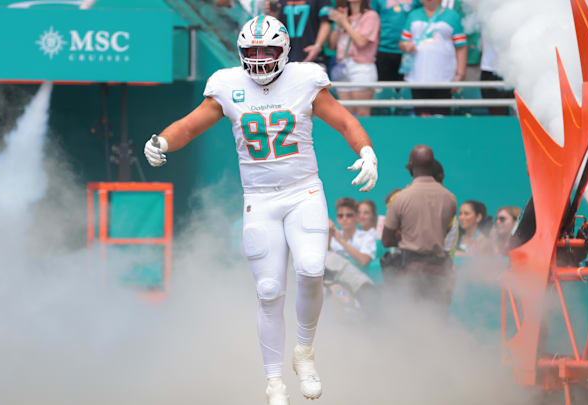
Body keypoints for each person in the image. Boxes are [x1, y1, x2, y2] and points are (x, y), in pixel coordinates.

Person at [143, 15, 378, 405]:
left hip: (303, 192)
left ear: (284, 50)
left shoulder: (305, 79)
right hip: (259, 198)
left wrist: (366, 150)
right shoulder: (227, 84)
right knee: (269, 291)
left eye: (267, 50)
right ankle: (273, 381)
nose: (259, 59)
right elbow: (189, 125)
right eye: (251, 51)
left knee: (312, 269)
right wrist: (163, 142)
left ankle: (304, 352)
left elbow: (345, 120)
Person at [381, 145, 457, 310]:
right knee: (437, 321)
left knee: (412, 322)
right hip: (440, 270)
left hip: (411, 270)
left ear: (411, 166)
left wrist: (404, 237)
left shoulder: (401, 198)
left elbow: (386, 241)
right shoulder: (450, 198)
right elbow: (445, 232)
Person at [399, 0, 467, 116]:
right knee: (422, 118)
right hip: (418, 77)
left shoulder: (452, 16)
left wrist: (460, 74)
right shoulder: (413, 15)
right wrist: (406, 46)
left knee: (441, 118)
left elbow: (461, 47)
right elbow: (402, 42)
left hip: (444, 78)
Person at [328, 0, 381, 117]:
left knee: (362, 113)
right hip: (342, 65)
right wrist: (338, 24)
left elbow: (361, 42)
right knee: (346, 114)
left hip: (362, 66)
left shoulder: (371, 16)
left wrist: (345, 23)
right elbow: (331, 46)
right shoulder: (344, 14)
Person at [326, 197, 378, 312]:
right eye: (340, 216)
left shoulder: (367, 236)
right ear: (337, 219)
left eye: (349, 215)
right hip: (339, 287)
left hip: (363, 287)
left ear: (356, 217)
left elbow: (364, 260)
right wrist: (328, 234)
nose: (344, 219)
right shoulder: (333, 239)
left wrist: (342, 241)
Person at [266, 0, 332, 64]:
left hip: (311, 55)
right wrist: (273, 14)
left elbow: (326, 21)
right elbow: (275, 25)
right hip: (285, 56)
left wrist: (317, 46)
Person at [370, 0, 420, 84]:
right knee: (385, 91)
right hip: (384, 50)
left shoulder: (417, 2)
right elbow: (373, 19)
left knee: (407, 91)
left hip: (410, 52)